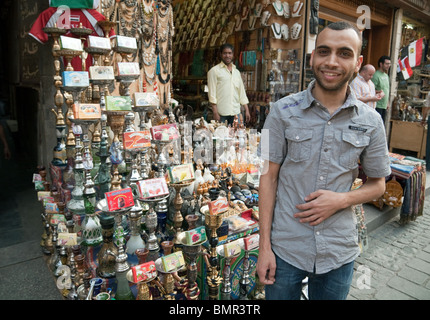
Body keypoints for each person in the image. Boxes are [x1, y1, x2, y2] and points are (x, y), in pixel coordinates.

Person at [256, 21, 391, 300]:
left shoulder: (372, 122)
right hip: (285, 248)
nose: (331, 62)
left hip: (338, 250)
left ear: (358, 62)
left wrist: (341, 200)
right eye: (323, 51)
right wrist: (264, 247)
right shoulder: (280, 112)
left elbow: (379, 185)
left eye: (344, 53)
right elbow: (266, 177)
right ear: (312, 57)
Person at [207, 43, 250, 126]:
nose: (227, 56)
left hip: (236, 113)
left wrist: (247, 110)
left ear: (233, 55)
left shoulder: (236, 72)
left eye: (230, 53)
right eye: (225, 53)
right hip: (221, 114)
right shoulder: (214, 71)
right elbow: (212, 94)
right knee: (221, 137)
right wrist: (215, 112)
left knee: (236, 137)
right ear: (221, 54)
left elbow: (241, 92)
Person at [371, 55, 391, 123]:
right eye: (387, 64)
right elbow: (370, 90)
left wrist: (387, 102)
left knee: (382, 125)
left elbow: (387, 90)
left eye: (389, 64)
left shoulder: (386, 76)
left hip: (384, 106)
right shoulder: (376, 75)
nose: (388, 65)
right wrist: (378, 92)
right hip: (377, 105)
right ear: (381, 64)